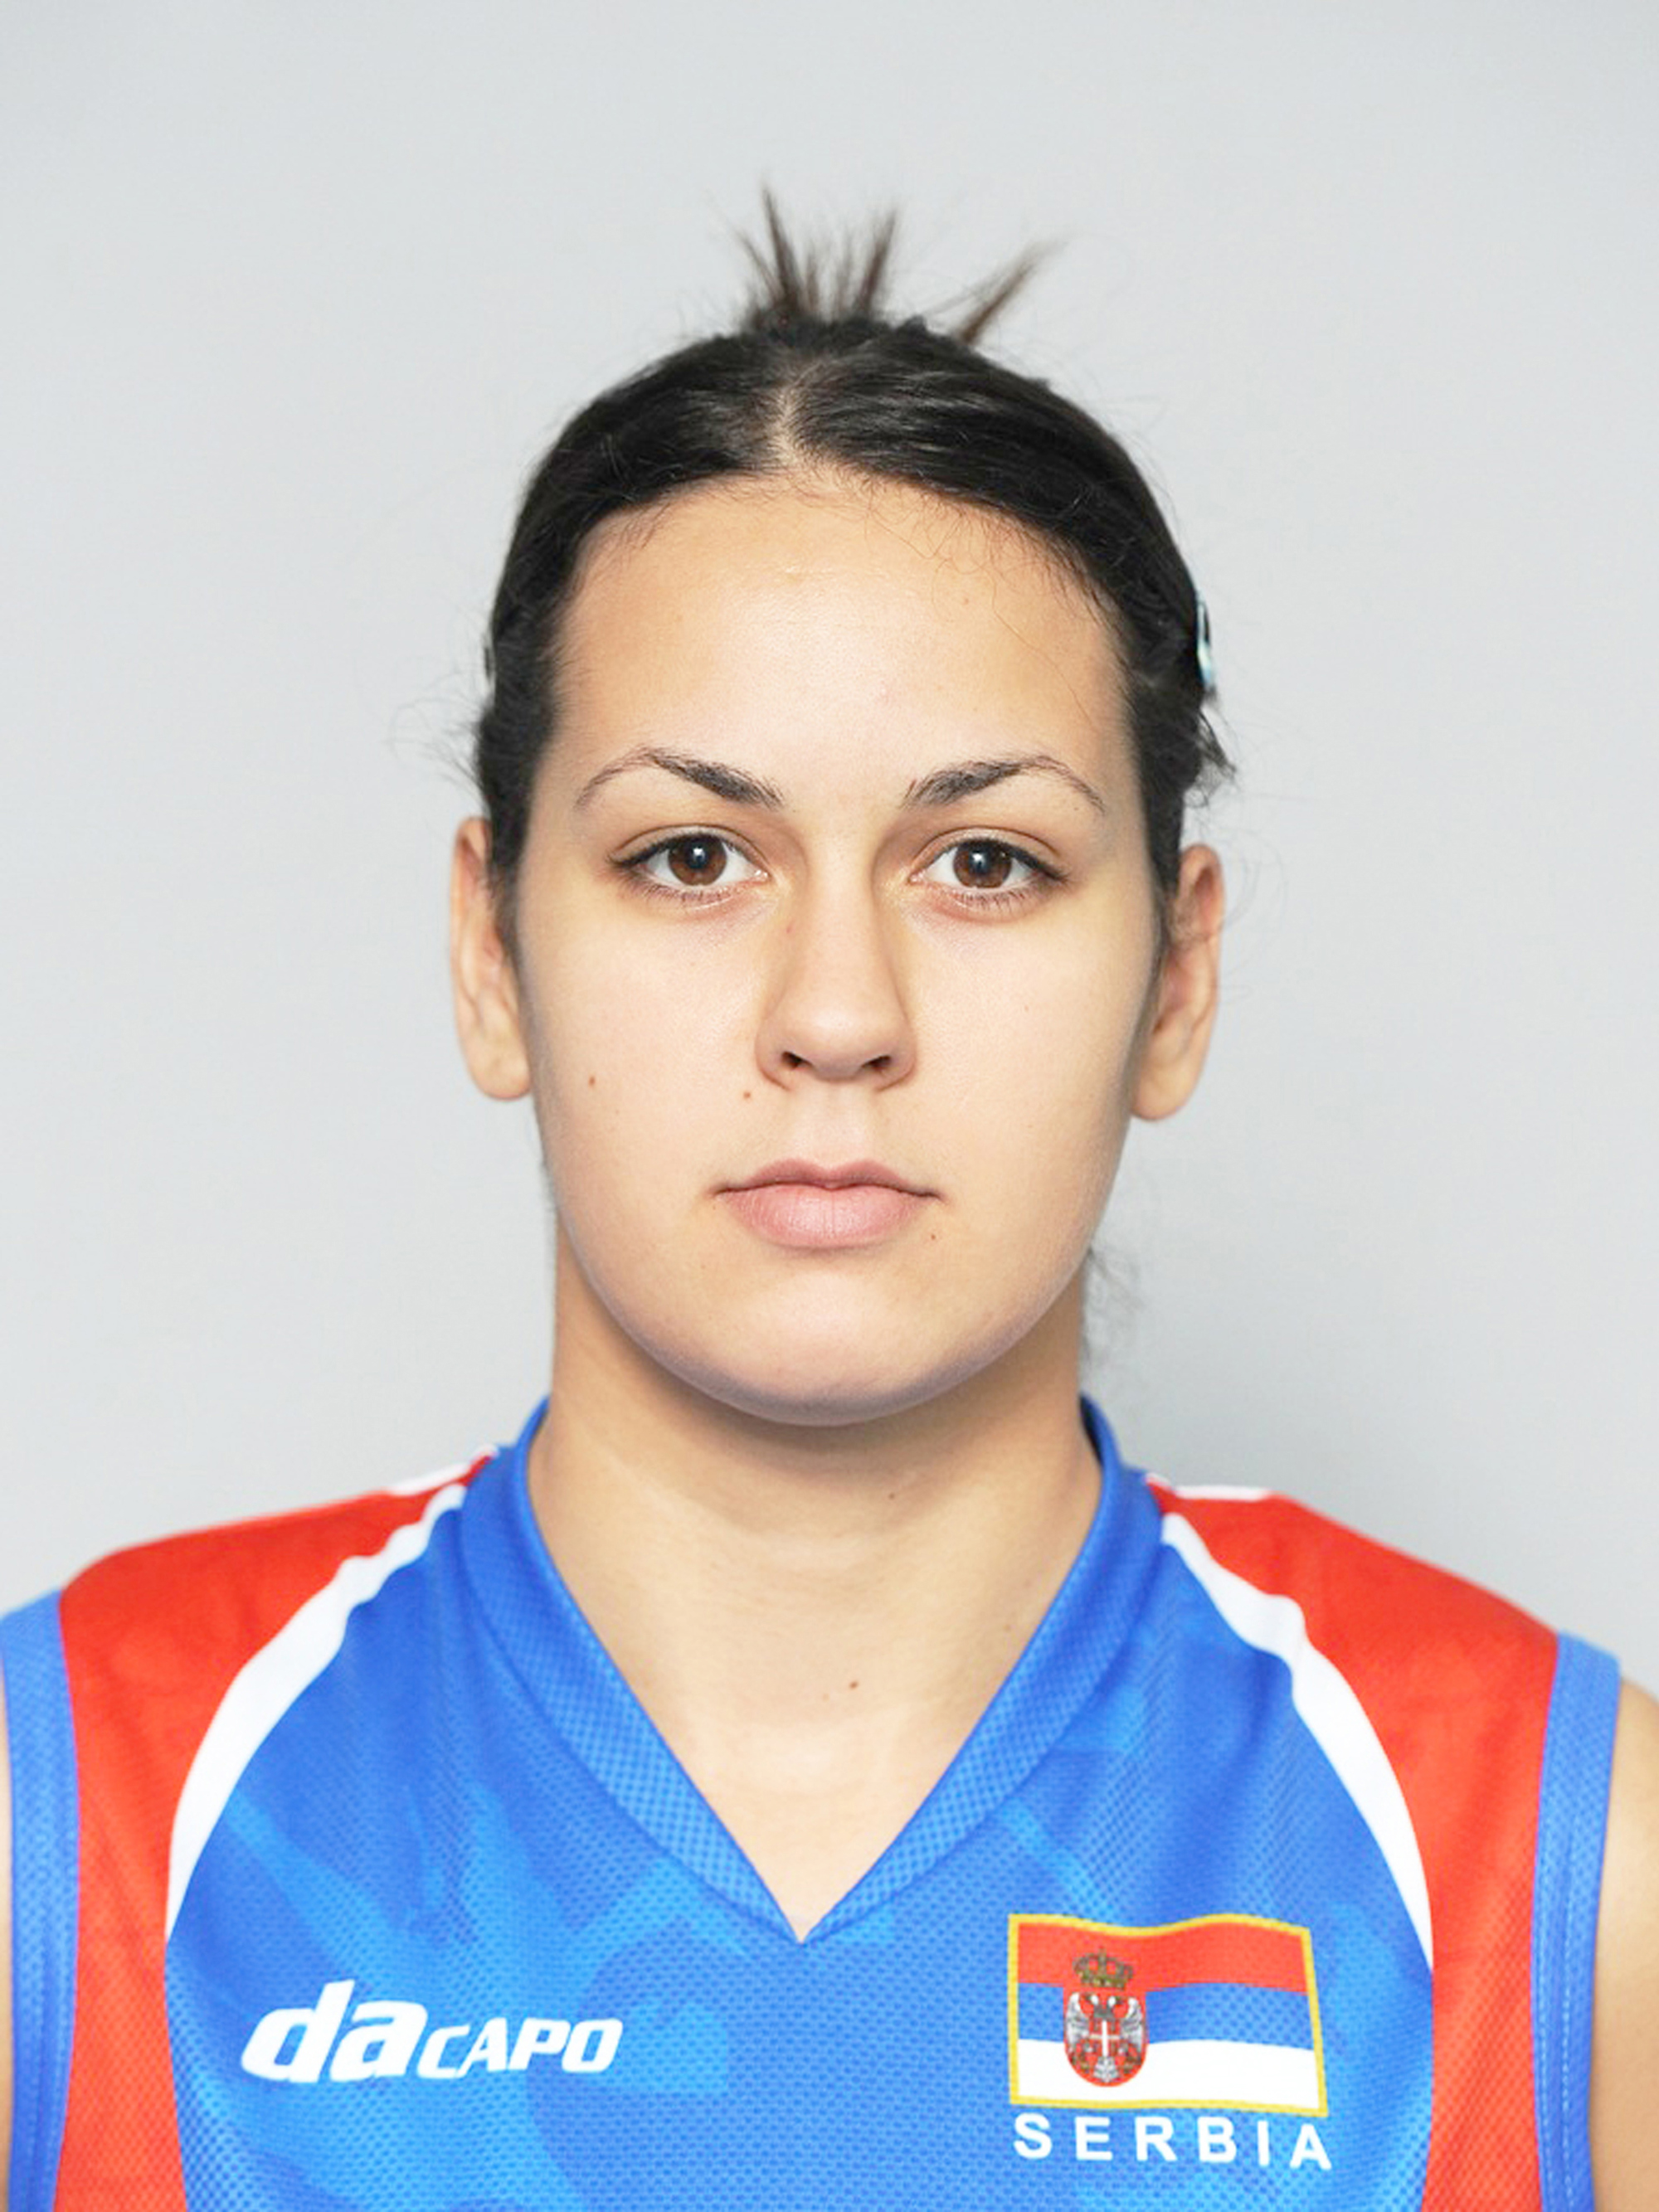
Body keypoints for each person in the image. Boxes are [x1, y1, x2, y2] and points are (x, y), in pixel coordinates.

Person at [2, 207, 1656, 2210]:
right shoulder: (72, 1815)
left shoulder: (1558, 1859)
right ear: (492, 951)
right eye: (693, 855)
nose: (839, 1012)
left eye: (985, 862)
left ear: (1177, 977)